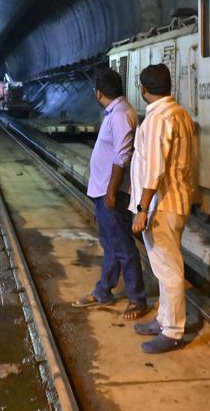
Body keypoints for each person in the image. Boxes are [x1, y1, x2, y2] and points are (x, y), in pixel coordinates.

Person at [129, 63, 196, 354]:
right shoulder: (180, 113)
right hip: (177, 200)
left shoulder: (157, 119)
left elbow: (154, 168)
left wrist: (143, 208)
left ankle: (172, 332)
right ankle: (163, 319)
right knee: (165, 265)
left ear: (143, 89)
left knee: (167, 269)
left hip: (161, 206)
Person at [71, 68, 147, 320]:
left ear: (98, 93)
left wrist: (112, 193)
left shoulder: (121, 116)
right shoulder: (116, 113)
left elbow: (122, 157)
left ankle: (137, 299)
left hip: (111, 192)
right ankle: (104, 290)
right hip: (104, 190)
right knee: (112, 244)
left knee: (123, 247)